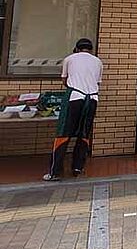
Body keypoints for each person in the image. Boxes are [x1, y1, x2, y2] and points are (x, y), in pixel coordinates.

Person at [43, 38, 102, 181]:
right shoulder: (98, 62)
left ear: (76, 48)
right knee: (84, 134)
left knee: (64, 133)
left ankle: (54, 172)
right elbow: (97, 82)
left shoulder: (69, 59)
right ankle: (77, 168)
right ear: (91, 49)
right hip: (92, 99)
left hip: (75, 97)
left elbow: (65, 80)